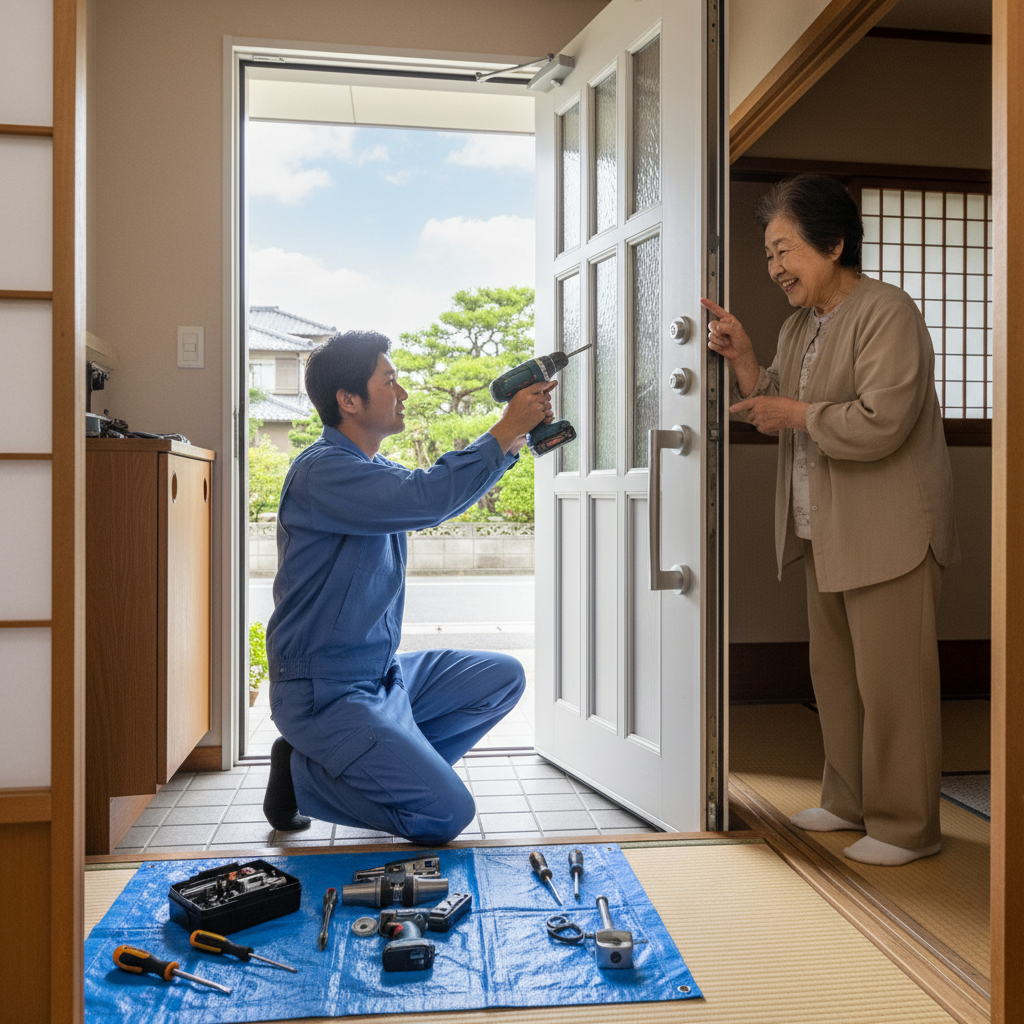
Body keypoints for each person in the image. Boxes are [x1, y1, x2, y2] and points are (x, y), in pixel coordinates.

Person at [701, 173, 960, 867]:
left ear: (834, 243)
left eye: (784, 250)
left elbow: (883, 420)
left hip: (892, 528)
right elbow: (780, 402)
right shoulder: (798, 325)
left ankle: (909, 827)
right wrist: (744, 357)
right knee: (838, 676)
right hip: (827, 527)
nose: (775, 267)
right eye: (768, 255)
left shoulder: (888, 312)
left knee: (894, 686)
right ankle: (848, 801)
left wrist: (795, 415)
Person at [262, 329, 555, 845]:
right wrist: (505, 424)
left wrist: (511, 438)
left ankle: (390, 768)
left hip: (383, 676)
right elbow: (429, 496)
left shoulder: (372, 468)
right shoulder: (324, 473)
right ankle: (301, 777)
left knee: (502, 676)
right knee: (445, 816)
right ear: (348, 401)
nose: (401, 394)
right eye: (390, 381)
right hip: (324, 692)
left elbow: (433, 495)